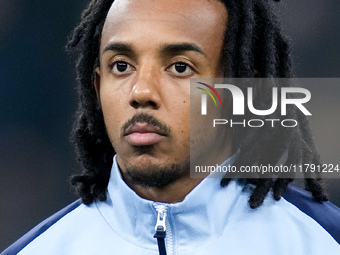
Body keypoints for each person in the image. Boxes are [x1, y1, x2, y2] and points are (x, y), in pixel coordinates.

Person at [2, 0, 340, 254]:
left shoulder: (322, 241)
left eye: (180, 67)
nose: (141, 92)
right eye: (121, 66)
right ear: (96, 86)